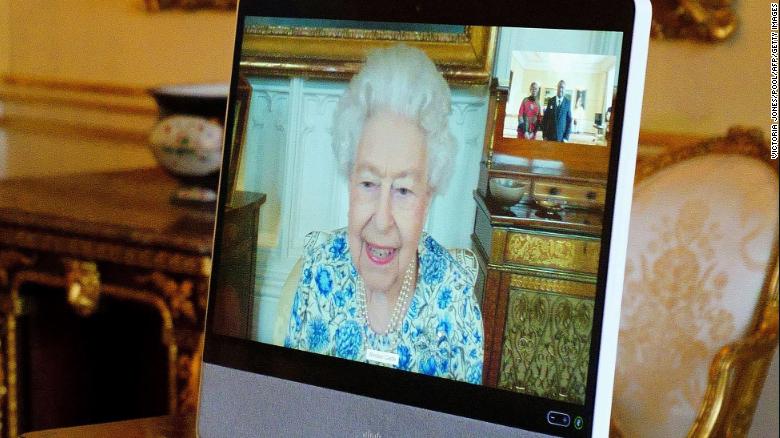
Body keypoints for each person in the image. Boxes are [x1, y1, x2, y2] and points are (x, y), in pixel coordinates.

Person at [284, 45, 484, 385]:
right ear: (349, 182)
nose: (381, 219)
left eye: (404, 190)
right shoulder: (317, 274)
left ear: (429, 196)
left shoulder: (455, 303)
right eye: (368, 183)